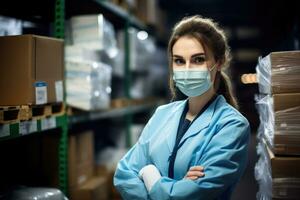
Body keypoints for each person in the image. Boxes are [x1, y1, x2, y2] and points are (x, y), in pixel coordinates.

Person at [113, 15, 250, 200]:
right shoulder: (163, 114)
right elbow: (124, 174)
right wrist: (175, 186)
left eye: (198, 59)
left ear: (218, 62)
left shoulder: (232, 126)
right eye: (179, 61)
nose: (187, 69)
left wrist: (150, 175)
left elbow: (191, 194)